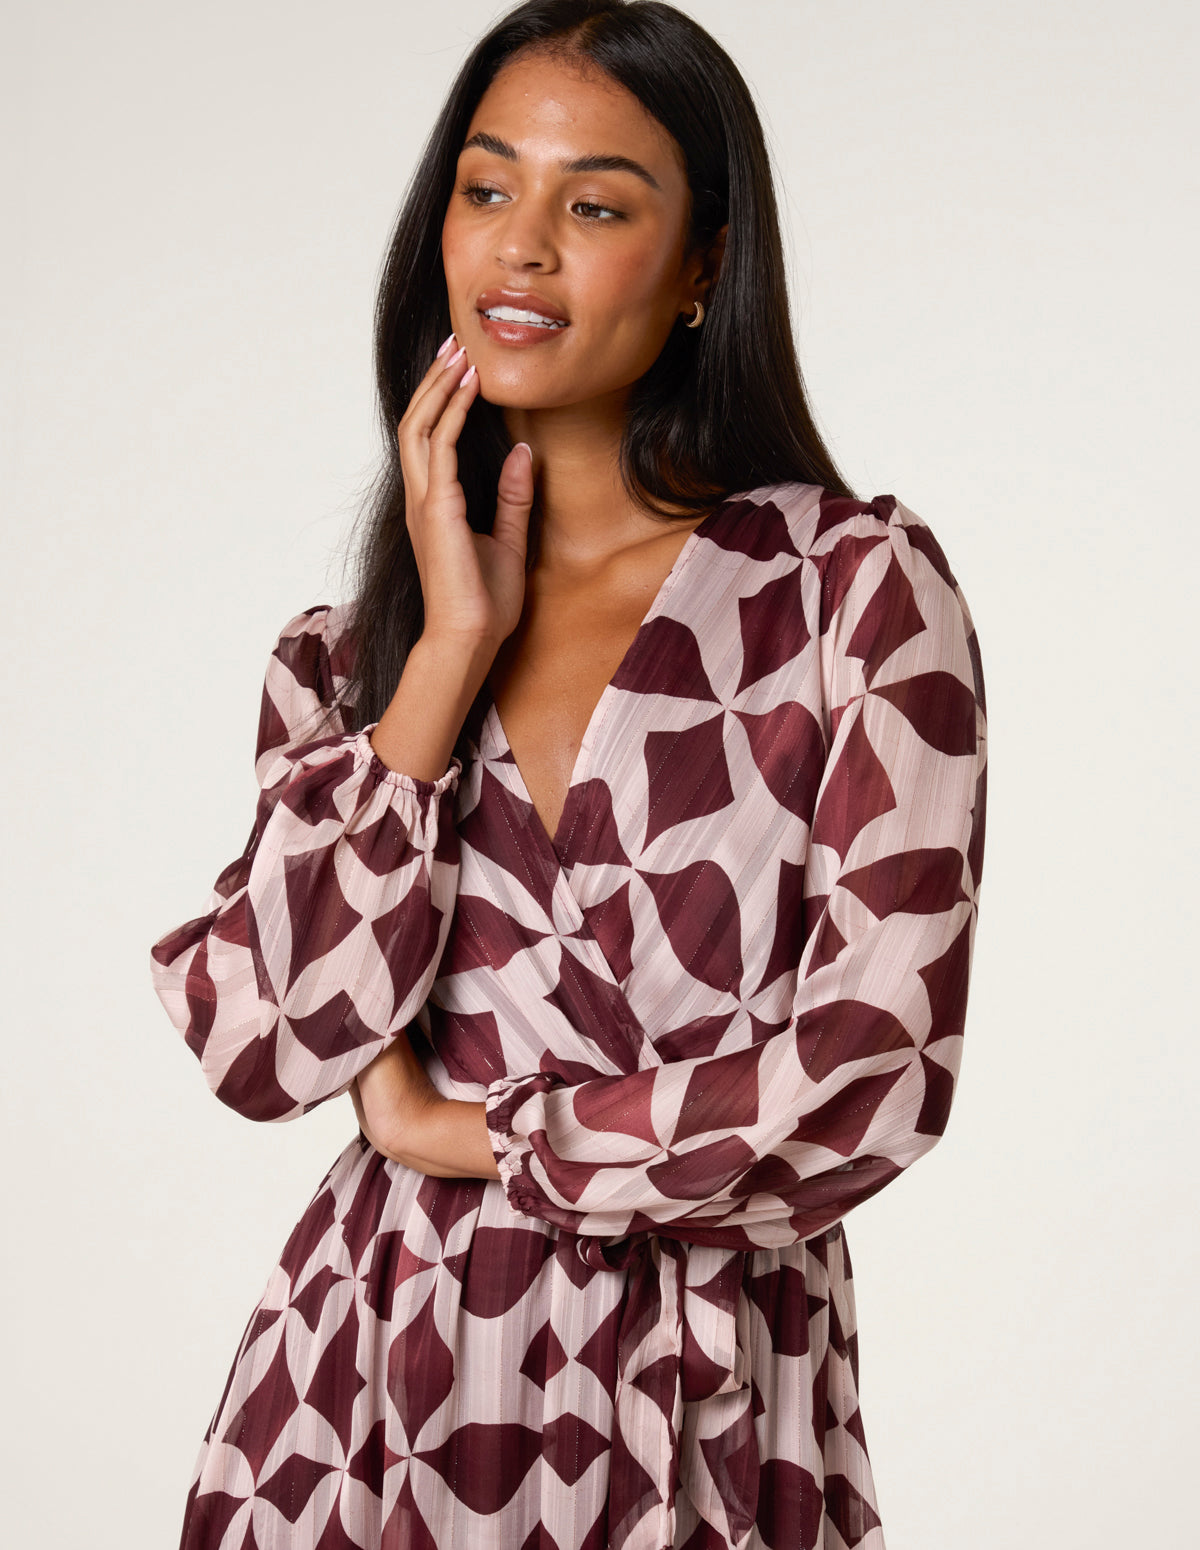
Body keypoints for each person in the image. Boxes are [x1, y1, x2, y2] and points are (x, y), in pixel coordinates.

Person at [150, 2, 987, 1546]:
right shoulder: (348, 666)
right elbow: (263, 1041)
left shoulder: (849, 595)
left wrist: (467, 1134)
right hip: (373, 1393)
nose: (520, 246)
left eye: (594, 206)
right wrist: (447, 655)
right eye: (487, 188)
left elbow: (872, 1067)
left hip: (706, 1398)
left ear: (704, 265)